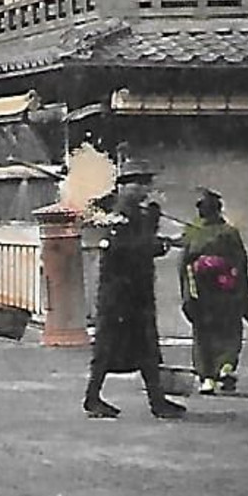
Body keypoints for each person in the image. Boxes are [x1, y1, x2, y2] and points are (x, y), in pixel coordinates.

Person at [84, 161, 185, 419]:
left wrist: (156, 230)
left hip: (136, 293)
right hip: (118, 295)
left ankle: (157, 401)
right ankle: (92, 398)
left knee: (147, 349)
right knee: (107, 349)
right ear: (122, 186)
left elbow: (142, 244)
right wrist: (159, 242)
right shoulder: (116, 215)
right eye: (136, 183)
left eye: (145, 184)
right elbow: (126, 249)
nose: (142, 189)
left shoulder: (136, 214)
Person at [180, 187, 248, 395]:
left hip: (202, 293)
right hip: (227, 291)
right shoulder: (229, 232)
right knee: (230, 331)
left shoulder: (192, 232)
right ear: (219, 210)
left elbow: (184, 264)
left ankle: (207, 377)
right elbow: (240, 262)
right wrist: (242, 292)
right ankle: (226, 366)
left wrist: (187, 294)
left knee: (203, 334)